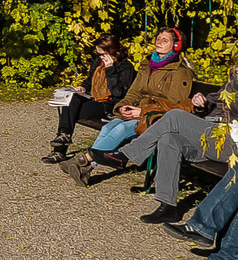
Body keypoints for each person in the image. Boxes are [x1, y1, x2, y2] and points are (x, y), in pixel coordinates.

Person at [89, 51, 238, 221]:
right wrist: (202, 101)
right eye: (236, 62)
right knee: (170, 139)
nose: (237, 67)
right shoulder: (234, 80)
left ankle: (126, 155)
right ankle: (168, 206)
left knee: (176, 116)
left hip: (234, 145)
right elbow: (215, 101)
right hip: (211, 136)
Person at [61, 26, 195, 186]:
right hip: (139, 111)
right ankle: (87, 167)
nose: (159, 42)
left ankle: (83, 162)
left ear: (176, 46)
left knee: (121, 129)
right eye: (158, 38)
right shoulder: (148, 65)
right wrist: (123, 106)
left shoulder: (179, 72)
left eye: (164, 40)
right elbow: (134, 92)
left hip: (157, 118)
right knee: (108, 128)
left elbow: (174, 104)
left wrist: (142, 112)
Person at [42, 34, 136, 163]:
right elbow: (90, 79)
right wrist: (83, 87)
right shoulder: (99, 62)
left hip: (110, 107)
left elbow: (118, 93)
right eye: (98, 54)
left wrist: (110, 69)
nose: (99, 57)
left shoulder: (126, 67)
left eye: (102, 54)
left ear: (112, 52)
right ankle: (63, 137)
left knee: (70, 112)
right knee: (71, 100)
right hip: (96, 101)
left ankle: (61, 147)